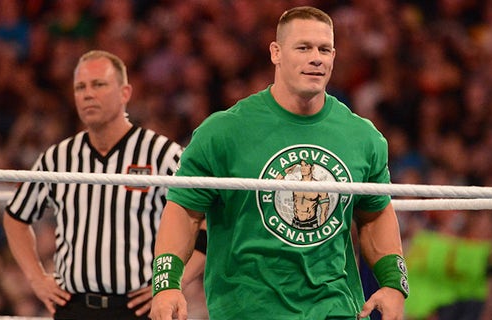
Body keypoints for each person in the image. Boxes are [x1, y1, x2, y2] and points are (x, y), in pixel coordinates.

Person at [149, 6, 408, 320]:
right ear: (276, 52)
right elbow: (184, 211)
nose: (316, 58)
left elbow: (375, 215)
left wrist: (395, 284)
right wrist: (166, 284)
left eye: (324, 49)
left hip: (336, 308)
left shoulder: (363, 137)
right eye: (303, 47)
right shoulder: (223, 133)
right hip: (248, 310)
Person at [2, 50, 183, 320]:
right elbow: (16, 216)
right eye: (80, 87)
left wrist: (169, 284)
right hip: (74, 307)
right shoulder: (58, 157)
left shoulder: (161, 153)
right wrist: (37, 279)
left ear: (125, 93)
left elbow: (201, 220)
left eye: (98, 84)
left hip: (138, 308)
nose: (88, 94)